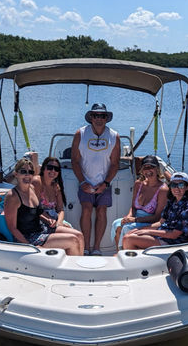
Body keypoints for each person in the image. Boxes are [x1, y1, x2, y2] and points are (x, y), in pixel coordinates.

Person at [4, 158, 83, 255]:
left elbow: (38, 211)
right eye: (23, 171)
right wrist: (29, 245)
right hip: (30, 237)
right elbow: (12, 228)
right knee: (73, 240)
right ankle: (73, 269)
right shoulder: (12, 196)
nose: (27, 175)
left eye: (30, 172)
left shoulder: (32, 189)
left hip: (42, 229)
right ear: (16, 174)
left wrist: (49, 220)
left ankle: (79, 265)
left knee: (79, 235)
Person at [71, 103, 120, 255]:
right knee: (86, 209)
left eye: (102, 116)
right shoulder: (80, 133)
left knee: (101, 210)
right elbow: (75, 160)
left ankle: (97, 247)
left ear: (107, 118)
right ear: (91, 117)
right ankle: (85, 247)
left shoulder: (114, 136)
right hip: (85, 181)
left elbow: (115, 163)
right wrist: (82, 182)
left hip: (104, 182)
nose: (99, 119)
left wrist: (105, 183)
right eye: (96, 115)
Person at [122, 172, 188, 249]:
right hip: (161, 235)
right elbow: (161, 222)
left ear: (187, 187)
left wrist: (148, 231)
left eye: (181, 185)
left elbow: (174, 234)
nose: (176, 188)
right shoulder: (172, 201)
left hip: (173, 242)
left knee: (128, 239)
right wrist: (142, 229)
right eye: (173, 185)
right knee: (130, 233)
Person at [111, 155, 168, 250]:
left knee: (127, 228)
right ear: (141, 170)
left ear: (157, 169)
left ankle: (125, 253)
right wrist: (129, 216)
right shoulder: (138, 184)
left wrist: (135, 220)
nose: (148, 170)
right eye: (145, 167)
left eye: (151, 167)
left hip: (150, 222)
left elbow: (157, 217)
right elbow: (133, 207)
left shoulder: (163, 189)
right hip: (135, 219)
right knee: (117, 224)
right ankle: (120, 252)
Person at [32, 156, 84, 247]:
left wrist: (59, 222)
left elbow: (60, 209)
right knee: (75, 237)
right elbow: (34, 208)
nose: (53, 171)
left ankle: (77, 260)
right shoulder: (37, 182)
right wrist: (49, 220)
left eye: (56, 169)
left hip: (55, 221)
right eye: (50, 167)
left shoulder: (56, 186)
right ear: (43, 168)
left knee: (79, 235)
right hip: (41, 221)